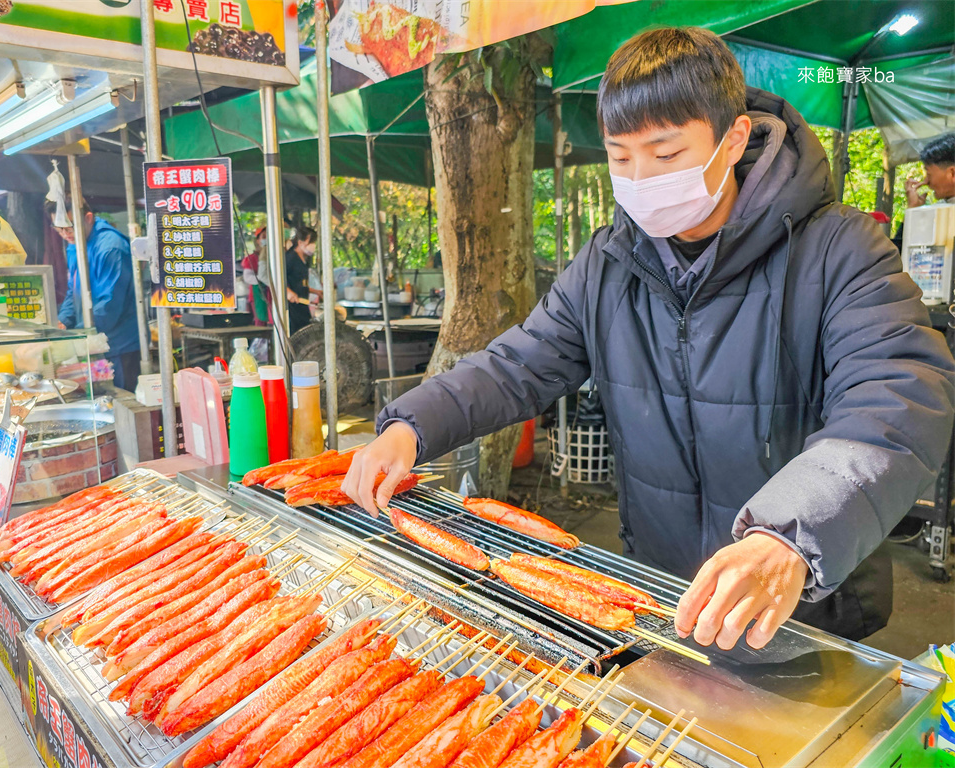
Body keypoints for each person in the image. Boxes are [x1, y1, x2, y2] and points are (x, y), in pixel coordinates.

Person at [343, 27, 955, 651]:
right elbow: (515, 365)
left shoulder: (840, 251)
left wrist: (791, 535)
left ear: (734, 136)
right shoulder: (608, 265)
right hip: (663, 599)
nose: (641, 178)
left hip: (806, 611)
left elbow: (898, 399)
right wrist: (410, 426)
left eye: (665, 156)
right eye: (620, 157)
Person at [48, 198, 141, 392]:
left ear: (88, 218)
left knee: (119, 399)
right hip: (92, 341)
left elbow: (110, 305)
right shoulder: (75, 243)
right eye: (59, 230)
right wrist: (63, 321)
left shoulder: (111, 247)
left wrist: (76, 337)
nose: (65, 235)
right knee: (99, 399)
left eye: (69, 228)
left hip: (119, 346)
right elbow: (73, 290)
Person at [895, 133, 955, 251]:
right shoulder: (939, 211)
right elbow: (900, 253)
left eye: (929, 174)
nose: (926, 182)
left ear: (952, 173)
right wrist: (913, 210)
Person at [285, 226, 316, 335]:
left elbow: (300, 282)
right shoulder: (290, 258)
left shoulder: (304, 259)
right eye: (311, 242)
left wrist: (316, 292)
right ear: (300, 242)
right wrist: (288, 291)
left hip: (302, 304)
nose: (313, 245)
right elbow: (278, 279)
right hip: (292, 308)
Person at [241, 226, 271, 325]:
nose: (266, 238)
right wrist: (263, 278)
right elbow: (248, 277)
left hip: (271, 294)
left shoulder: (274, 255)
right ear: (257, 240)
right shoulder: (251, 259)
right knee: (260, 323)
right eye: (263, 236)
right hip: (257, 295)